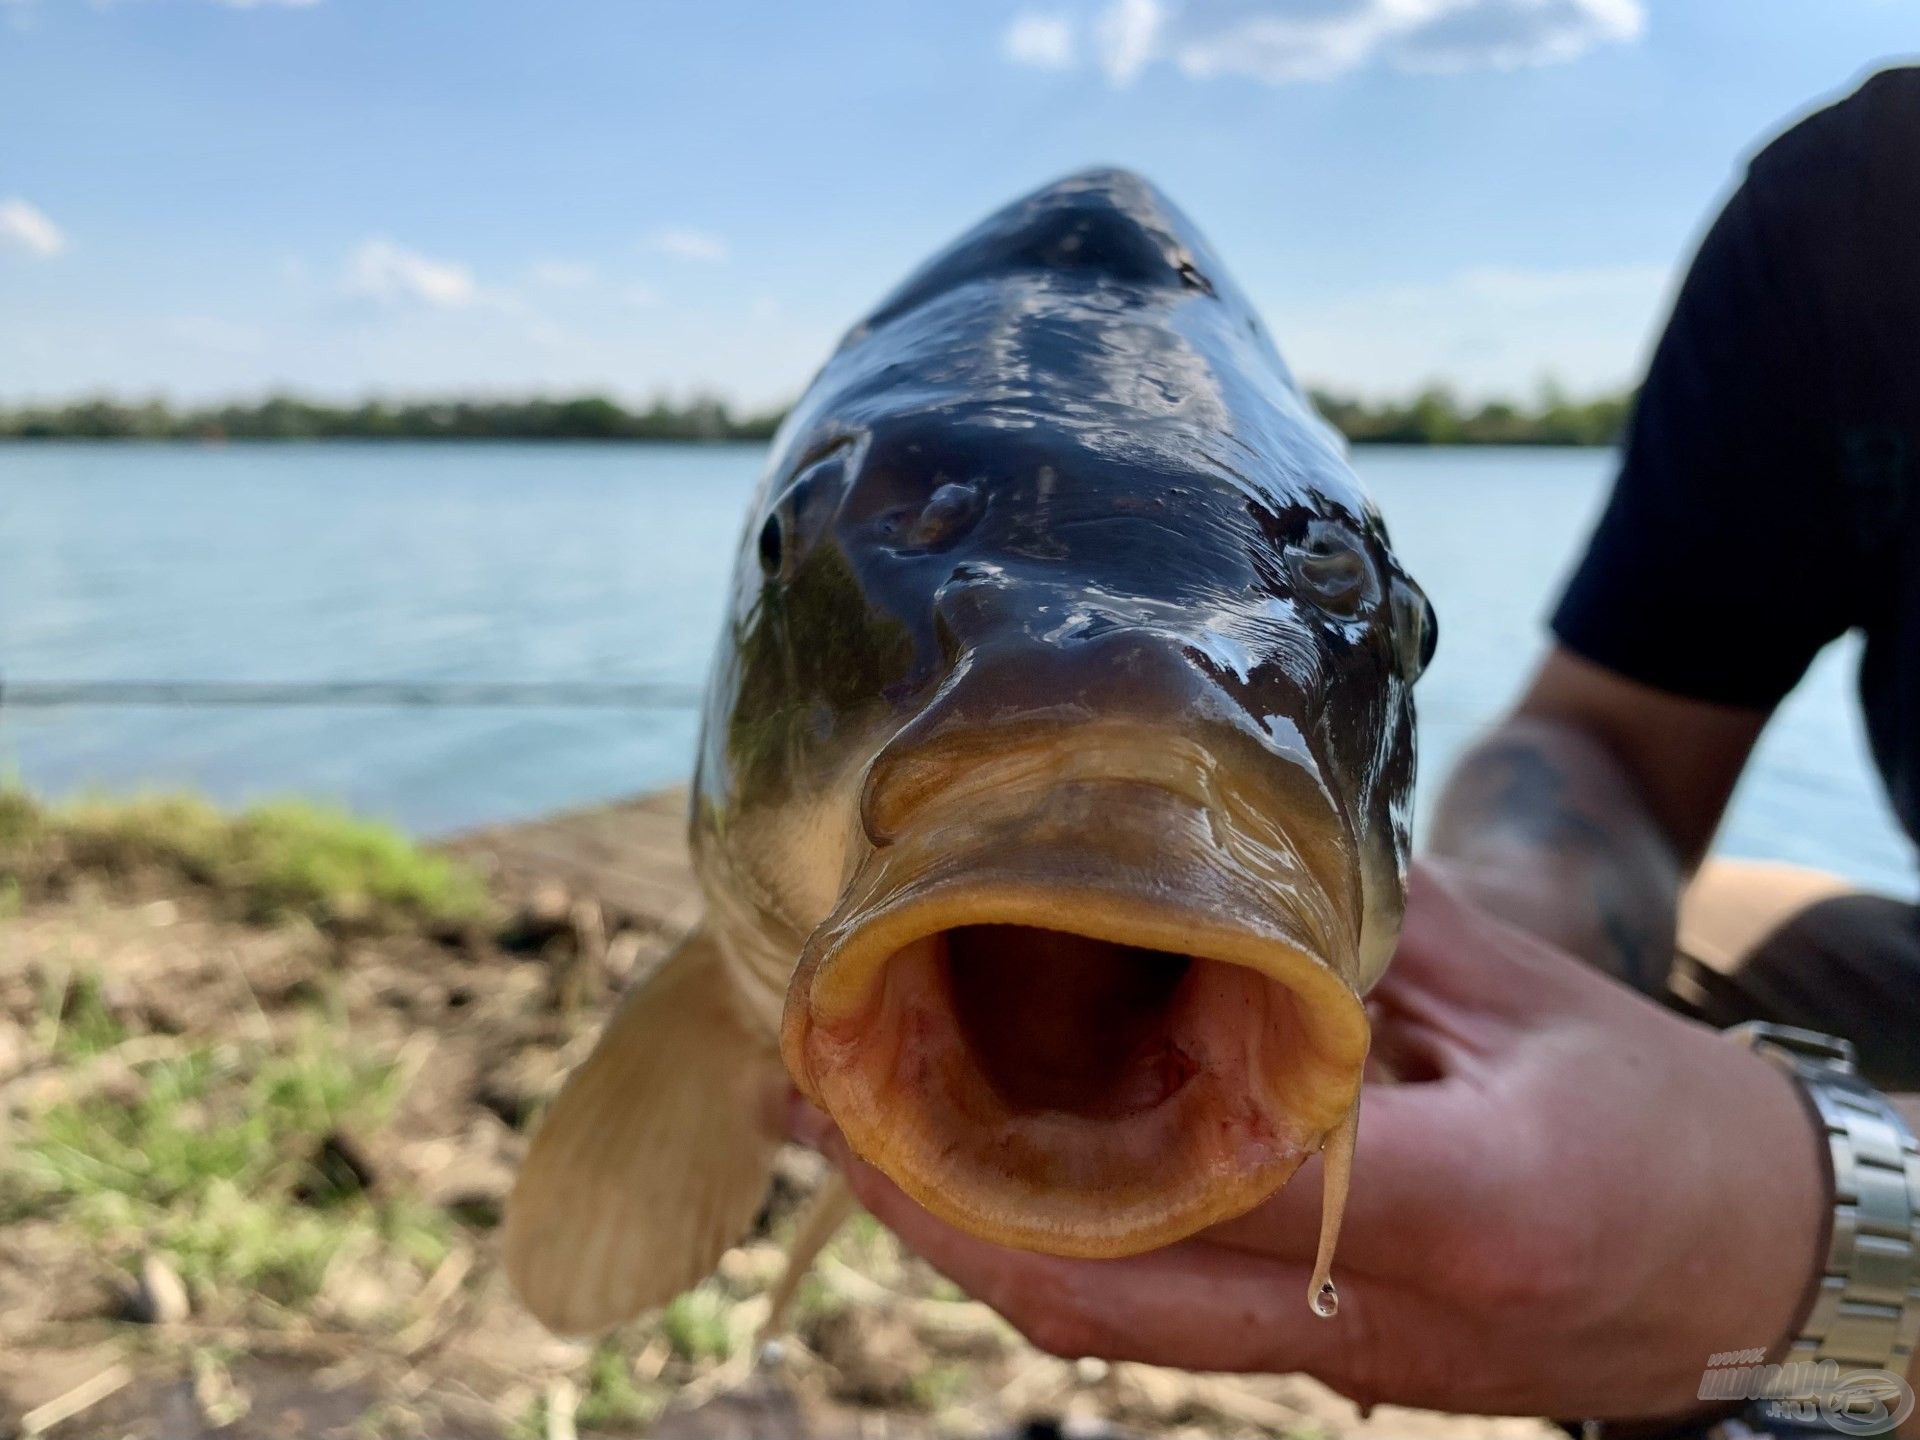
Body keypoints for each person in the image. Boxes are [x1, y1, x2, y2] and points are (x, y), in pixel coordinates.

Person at [795, 67, 1920, 1438]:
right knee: (1699, 947)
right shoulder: (1850, 212)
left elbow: (1838, 1255)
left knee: (1783, 1334)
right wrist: (1490, 934)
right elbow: (1610, 749)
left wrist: (1852, 1257)